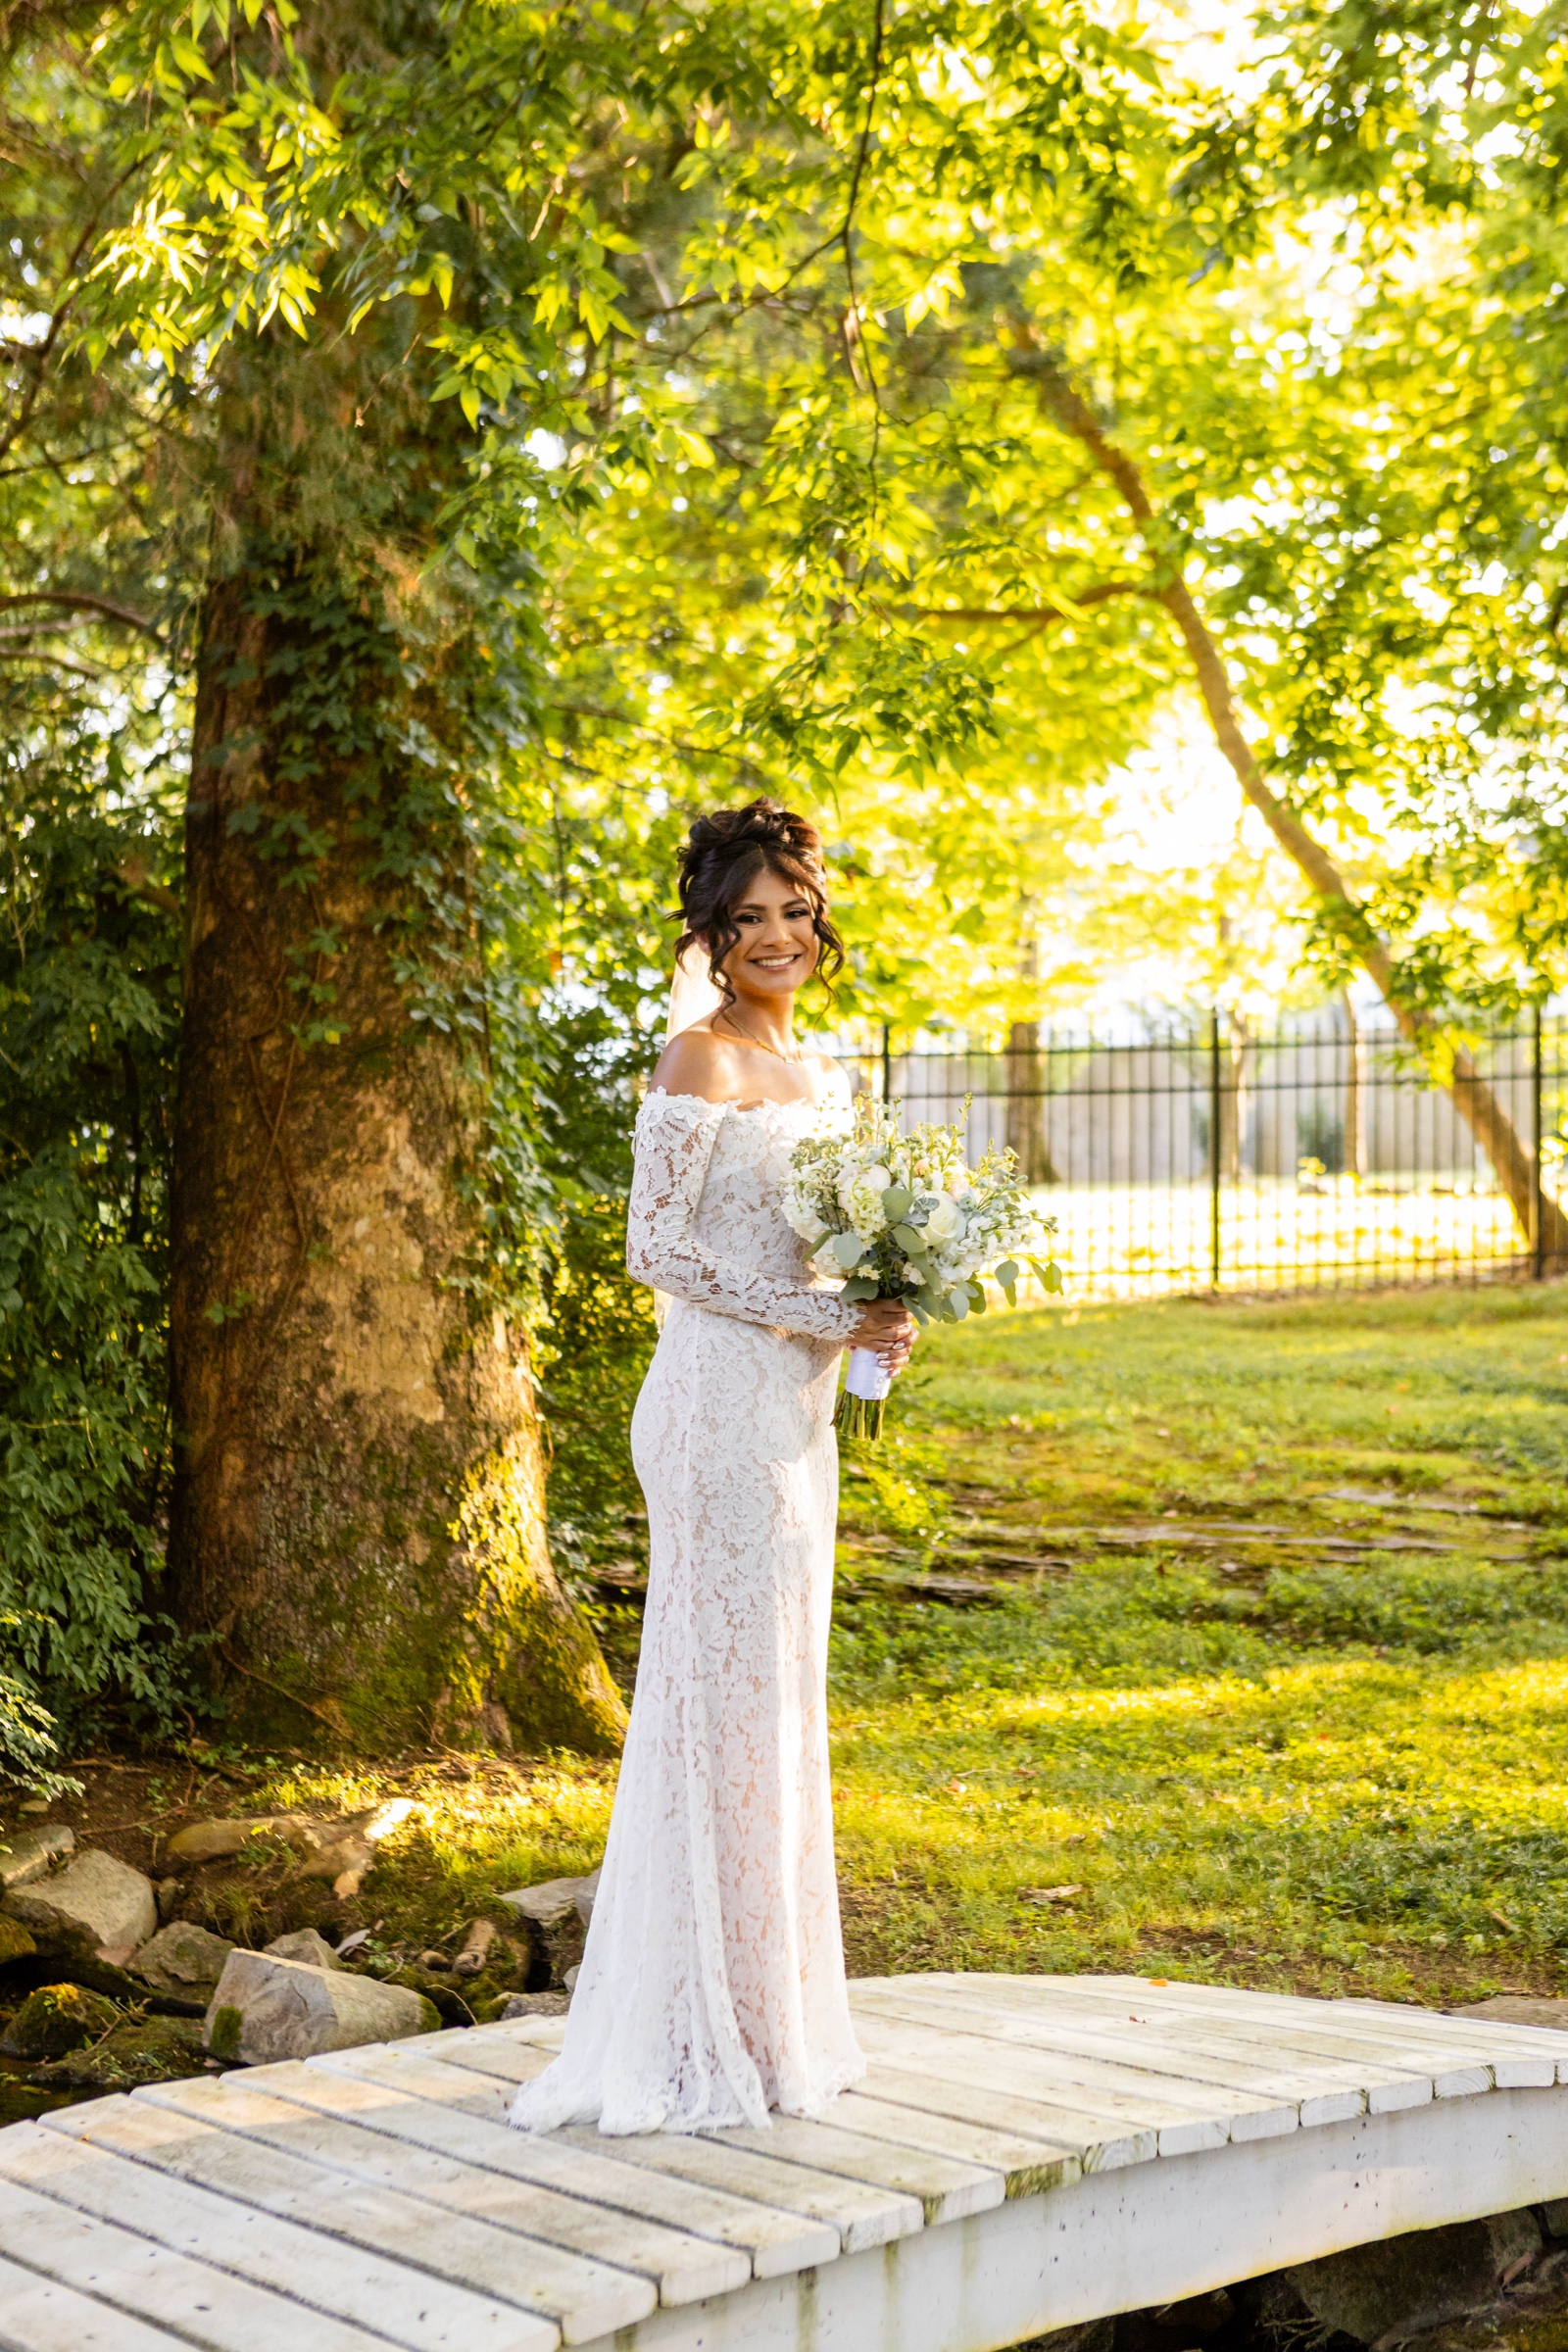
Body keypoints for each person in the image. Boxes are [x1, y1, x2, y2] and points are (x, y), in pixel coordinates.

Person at [508, 800, 915, 2136]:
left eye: (795, 913)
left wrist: (881, 1306)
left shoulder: (823, 1074)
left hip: (795, 1416)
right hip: (710, 1411)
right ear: (711, 935)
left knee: (777, 1700)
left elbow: (823, 1251)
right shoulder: (701, 1061)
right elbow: (657, 1253)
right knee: (718, 1698)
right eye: (749, 921)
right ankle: (688, 2032)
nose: (779, 938)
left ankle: (765, 2012)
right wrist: (818, 1315)